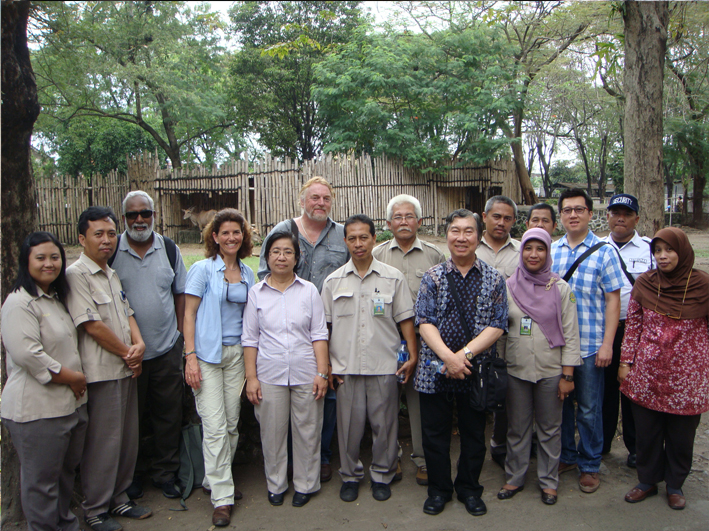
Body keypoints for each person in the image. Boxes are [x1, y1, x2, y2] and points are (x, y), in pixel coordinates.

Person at [414, 209, 507, 517]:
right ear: (446, 236)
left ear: (478, 236)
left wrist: (462, 357)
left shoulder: (494, 278)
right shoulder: (433, 276)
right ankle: (439, 490)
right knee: (435, 435)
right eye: (456, 230)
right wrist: (448, 358)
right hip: (434, 369)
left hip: (474, 370)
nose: (462, 237)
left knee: (473, 434)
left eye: (469, 231)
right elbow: (424, 320)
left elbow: (498, 323)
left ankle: (469, 489)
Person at [258, 176, 348, 483]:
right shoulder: (283, 232)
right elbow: (264, 276)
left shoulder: (341, 235)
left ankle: (321, 457)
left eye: (325, 198)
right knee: (286, 401)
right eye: (314, 198)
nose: (320, 203)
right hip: (289, 329)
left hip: (333, 328)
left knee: (326, 391)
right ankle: (289, 465)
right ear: (301, 200)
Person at [65, 207, 151, 531]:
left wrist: (139, 345)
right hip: (102, 372)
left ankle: (120, 498)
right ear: (81, 238)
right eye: (98, 234)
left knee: (127, 439)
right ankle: (96, 509)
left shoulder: (111, 274)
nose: (106, 240)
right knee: (103, 442)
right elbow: (91, 325)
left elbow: (128, 314)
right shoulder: (76, 275)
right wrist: (129, 353)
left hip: (127, 368)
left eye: (111, 234)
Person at [322, 215, 417, 503]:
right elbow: (323, 328)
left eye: (364, 237)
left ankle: (382, 474)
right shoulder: (333, 281)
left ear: (375, 239)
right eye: (352, 238)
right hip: (345, 367)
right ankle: (350, 476)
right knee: (349, 429)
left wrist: (412, 354)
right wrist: (326, 365)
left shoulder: (392, 277)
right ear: (345, 242)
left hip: (383, 365)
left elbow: (405, 320)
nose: (358, 243)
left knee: (385, 426)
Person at [1, 232, 88, 531]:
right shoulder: (19, 303)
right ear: (26, 262)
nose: (49, 264)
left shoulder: (54, 298)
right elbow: (29, 356)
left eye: (55, 257)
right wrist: (74, 378)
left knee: (63, 477)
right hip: (37, 410)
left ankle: (64, 525)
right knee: (41, 484)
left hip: (68, 407)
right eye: (40, 258)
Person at [619, 227, 709, 510]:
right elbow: (633, 326)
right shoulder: (645, 283)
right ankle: (647, 481)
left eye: (669, 250)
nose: (663, 256)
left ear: (682, 251)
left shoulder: (703, 285)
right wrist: (625, 362)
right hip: (648, 372)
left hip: (688, 376)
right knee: (647, 432)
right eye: (657, 250)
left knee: (682, 434)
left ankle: (675, 484)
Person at [243, 230, 329, 508]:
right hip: (269, 374)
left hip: (306, 372)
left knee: (307, 430)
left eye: (287, 252)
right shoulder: (256, 293)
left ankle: (305, 484)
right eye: (275, 251)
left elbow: (319, 334)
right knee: (272, 432)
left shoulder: (309, 291)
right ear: (266, 257)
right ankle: (276, 484)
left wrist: (322, 372)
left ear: (297, 257)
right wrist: (251, 378)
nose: (281, 257)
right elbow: (250, 338)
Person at [111, 191, 187, 500]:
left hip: (166, 349)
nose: (139, 220)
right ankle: (133, 476)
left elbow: (180, 294)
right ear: (124, 218)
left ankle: (165, 473)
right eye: (132, 215)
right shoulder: (111, 250)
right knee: (131, 421)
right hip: (126, 356)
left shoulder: (169, 249)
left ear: (154, 215)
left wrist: (179, 337)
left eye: (145, 213)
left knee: (169, 415)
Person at [184, 208, 256, 527]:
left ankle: (215, 478)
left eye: (236, 232)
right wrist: (190, 357)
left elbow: (252, 318)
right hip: (206, 356)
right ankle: (223, 498)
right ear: (214, 236)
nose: (231, 237)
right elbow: (188, 316)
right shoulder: (201, 270)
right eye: (224, 232)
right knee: (213, 426)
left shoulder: (248, 274)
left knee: (230, 425)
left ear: (244, 237)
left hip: (237, 355)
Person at [499, 228, 581, 506]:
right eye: (528, 248)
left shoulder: (560, 288)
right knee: (517, 428)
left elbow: (571, 334)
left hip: (551, 371)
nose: (534, 254)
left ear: (548, 252)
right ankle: (515, 476)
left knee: (549, 428)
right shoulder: (508, 286)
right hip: (516, 370)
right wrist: (500, 368)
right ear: (520, 252)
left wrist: (567, 375)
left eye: (540, 249)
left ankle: (548, 482)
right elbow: (500, 331)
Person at [551, 189, 623, 494]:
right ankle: (567, 455)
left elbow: (613, 300)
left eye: (579, 210)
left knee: (590, 408)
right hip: (557, 345)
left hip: (592, 345)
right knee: (562, 405)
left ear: (590, 214)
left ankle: (590, 464)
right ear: (560, 216)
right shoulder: (551, 250)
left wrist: (608, 344)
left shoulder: (605, 251)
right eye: (567, 210)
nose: (573, 215)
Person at [373, 194, 445, 486]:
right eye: (398, 217)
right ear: (388, 223)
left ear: (420, 221)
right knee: (386, 403)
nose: (404, 222)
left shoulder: (434, 255)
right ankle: (390, 458)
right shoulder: (376, 255)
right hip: (385, 341)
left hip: (423, 342)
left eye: (409, 216)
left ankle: (423, 460)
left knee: (419, 405)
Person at [601, 194, 654, 469]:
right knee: (606, 390)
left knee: (633, 392)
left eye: (626, 213)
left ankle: (635, 448)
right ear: (607, 216)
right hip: (606, 332)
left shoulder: (649, 249)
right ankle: (603, 443)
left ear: (636, 218)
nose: (620, 218)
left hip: (639, 333)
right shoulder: (596, 248)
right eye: (615, 212)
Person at [476, 196, 520, 469]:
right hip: (476, 337)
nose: (501, 222)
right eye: (496, 216)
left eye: (507, 218)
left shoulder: (522, 251)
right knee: (477, 392)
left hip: (512, 335)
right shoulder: (469, 246)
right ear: (484, 216)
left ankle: (501, 444)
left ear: (514, 221)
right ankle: (475, 448)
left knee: (509, 392)